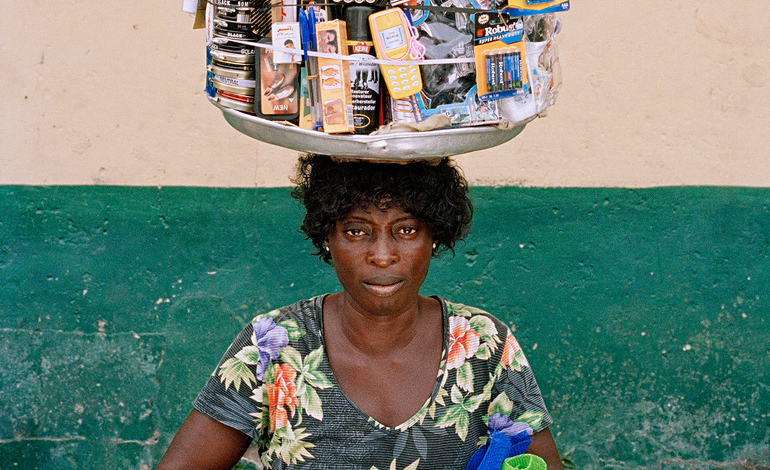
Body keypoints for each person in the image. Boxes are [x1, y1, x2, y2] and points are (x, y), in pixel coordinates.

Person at [156, 156, 564, 470]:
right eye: (356, 231)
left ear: (434, 236)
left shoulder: (482, 343)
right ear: (327, 236)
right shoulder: (273, 344)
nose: (383, 255)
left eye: (406, 230)